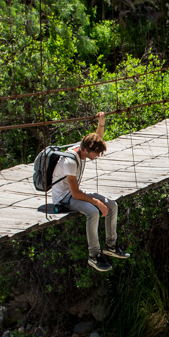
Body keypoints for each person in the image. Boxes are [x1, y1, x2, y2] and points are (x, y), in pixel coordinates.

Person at [49, 111, 130, 272]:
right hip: (63, 198)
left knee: (112, 205)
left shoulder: (84, 149)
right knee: (93, 212)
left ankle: (111, 246)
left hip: (73, 193)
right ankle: (94, 255)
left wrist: (101, 123)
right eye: (96, 153)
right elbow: (75, 194)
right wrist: (96, 202)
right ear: (86, 150)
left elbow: (97, 139)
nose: (97, 156)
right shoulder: (70, 162)